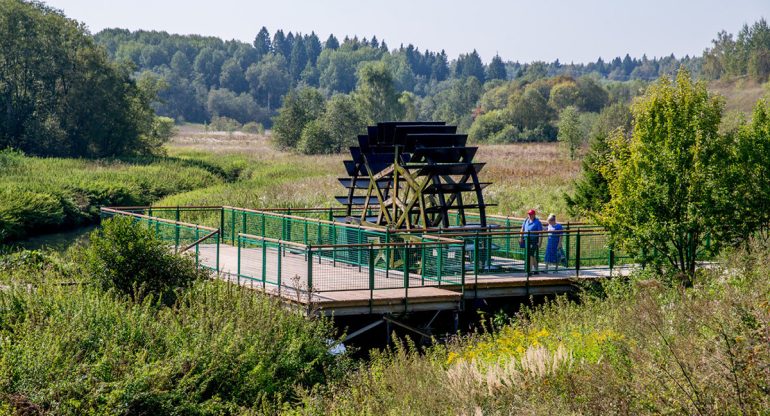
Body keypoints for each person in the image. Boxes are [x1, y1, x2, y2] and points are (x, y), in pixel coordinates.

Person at [519, 209, 543, 274]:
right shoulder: (526, 220)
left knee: (530, 255)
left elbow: (541, 233)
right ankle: (536, 269)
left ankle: (529, 270)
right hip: (526, 240)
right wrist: (521, 237)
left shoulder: (537, 222)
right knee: (531, 255)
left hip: (534, 241)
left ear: (534, 215)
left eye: (531, 214)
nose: (529, 215)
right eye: (529, 214)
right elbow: (522, 229)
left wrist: (540, 242)